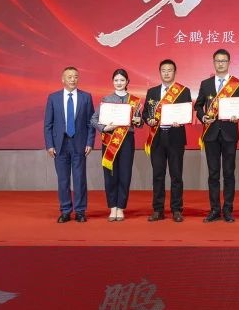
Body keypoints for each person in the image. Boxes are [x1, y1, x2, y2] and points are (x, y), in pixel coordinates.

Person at [194, 48, 239, 222]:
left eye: (223, 61)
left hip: (230, 133)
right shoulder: (206, 84)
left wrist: (237, 115)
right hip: (211, 134)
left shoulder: (236, 84)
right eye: (217, 61)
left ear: (229, 63)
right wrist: (203, 117)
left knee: (229, 173)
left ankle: (228, 209)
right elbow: (198, 106)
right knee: (213, 173)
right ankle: (215, 209)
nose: (220, 63)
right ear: (214, 63)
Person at [142, 59, 193, 222]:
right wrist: (149, 120)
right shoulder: (152, 92)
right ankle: (158, 210)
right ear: (160, 72)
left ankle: (177, 209)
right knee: (158, 175)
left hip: (176, 137)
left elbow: (187, 113)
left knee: (176, 175)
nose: (166, 73)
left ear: (175, 72)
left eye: (169, 70)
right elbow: (145, 113)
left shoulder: (183, 91)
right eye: (163, 70)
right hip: (157, 138)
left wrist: (181, 121)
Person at [44, 66, 95, 223]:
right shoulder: (53, 98)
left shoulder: (86, 97)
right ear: (63, 79)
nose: (73, 79)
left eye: (75, 76)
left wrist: (90, 142)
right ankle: (65, 211)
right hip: (60, 144)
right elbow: (48, 124)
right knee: (63, 180)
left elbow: (91, 123)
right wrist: (49, 145)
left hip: (79, 143)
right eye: (70, 77)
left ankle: (80, 211)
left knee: (80, 179)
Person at [93, 68, 141, 222]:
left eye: (122, 80)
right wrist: (104, 128)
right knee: (110, 174)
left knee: (125, 174)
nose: (119, 83)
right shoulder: (106, 99)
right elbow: (93, 119)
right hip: (110, 140)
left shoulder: (135, 100)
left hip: (127, 140)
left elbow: (139, 122)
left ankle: (120, 207)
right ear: (112, 82)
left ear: (127, 82)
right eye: (116, 80)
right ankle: (112, 207)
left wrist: (138, 121)